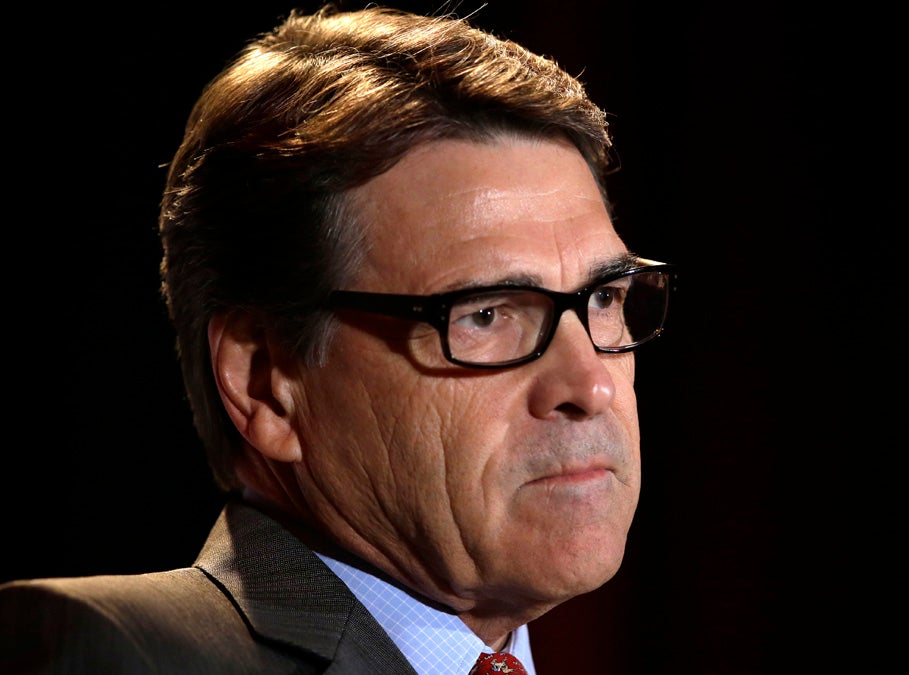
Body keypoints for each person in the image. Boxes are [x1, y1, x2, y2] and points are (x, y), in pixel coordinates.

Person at [0, 4, 676, 673]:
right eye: (486, 314)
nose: (589, 384)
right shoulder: (111, 651)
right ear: (267, 382)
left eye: (605, 298)